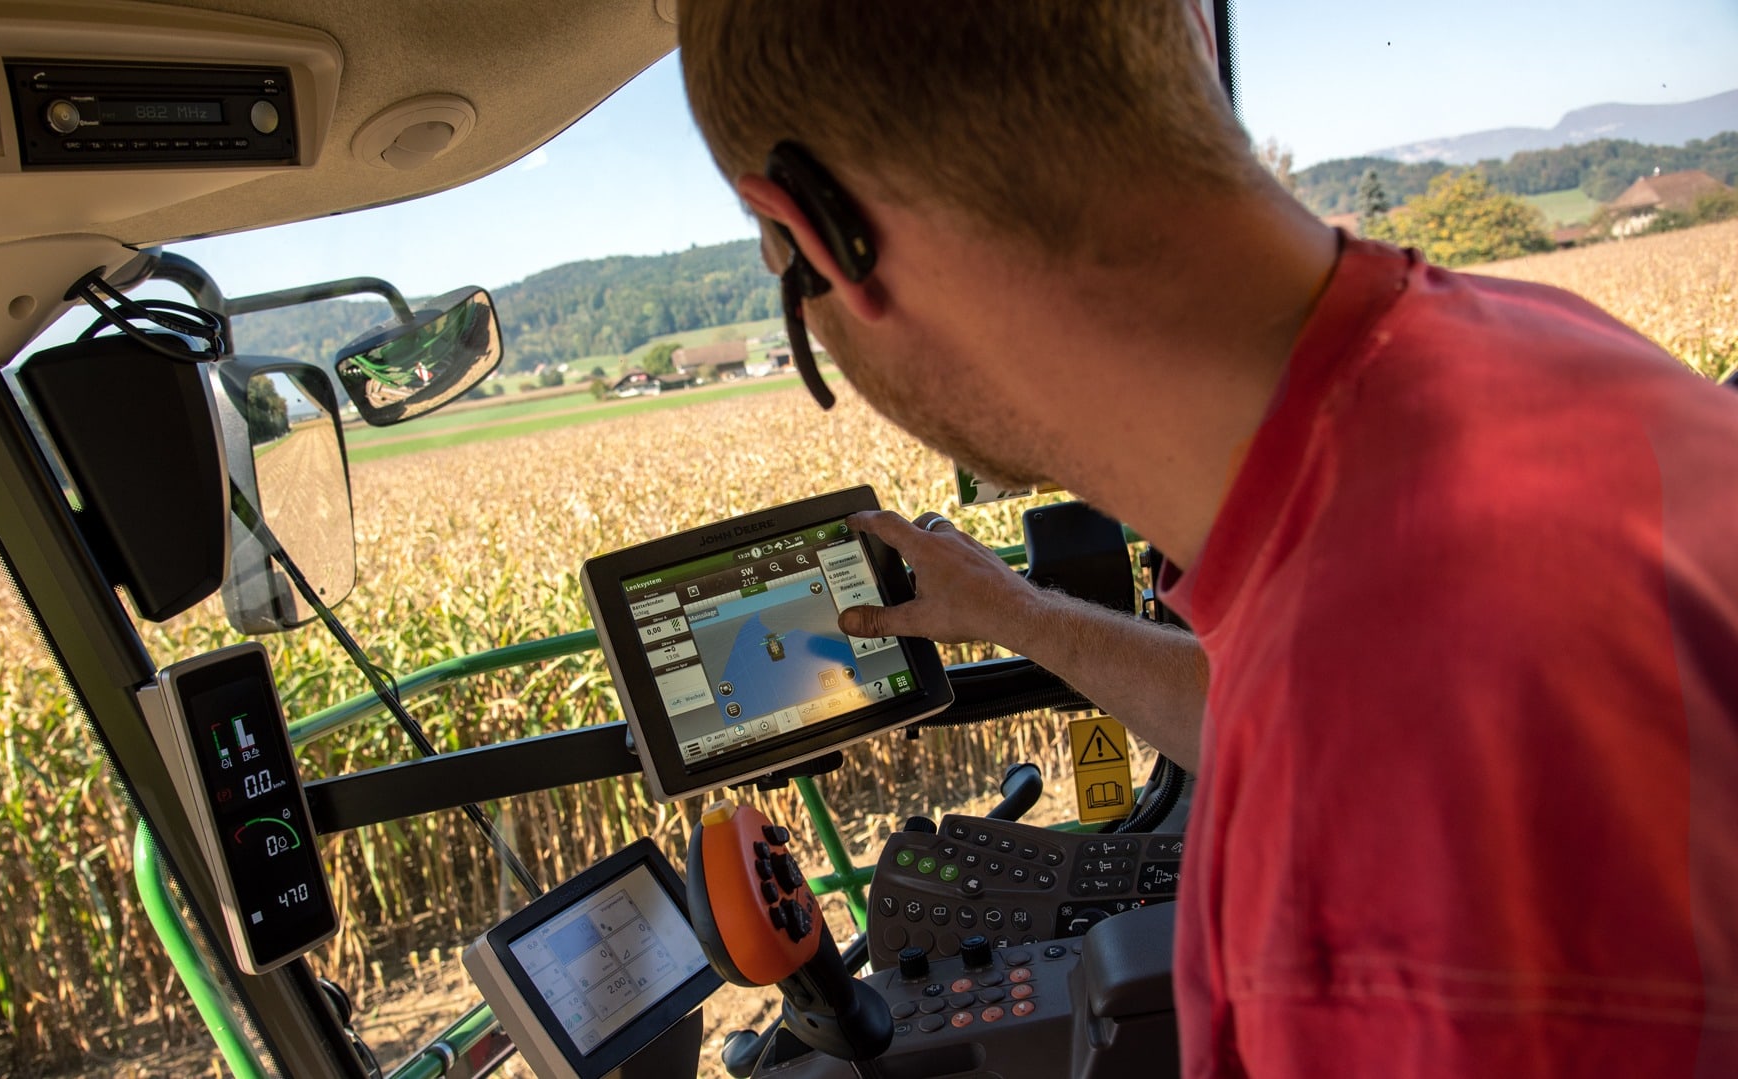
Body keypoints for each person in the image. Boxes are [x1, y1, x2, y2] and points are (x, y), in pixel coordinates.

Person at [678, 2, 1738, 1075]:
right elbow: (1312, 705)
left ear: (814, 234)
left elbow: (1369, 747)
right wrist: (1022, 615)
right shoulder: (1529, 348)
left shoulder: (1356, 898)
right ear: (1190, 35)